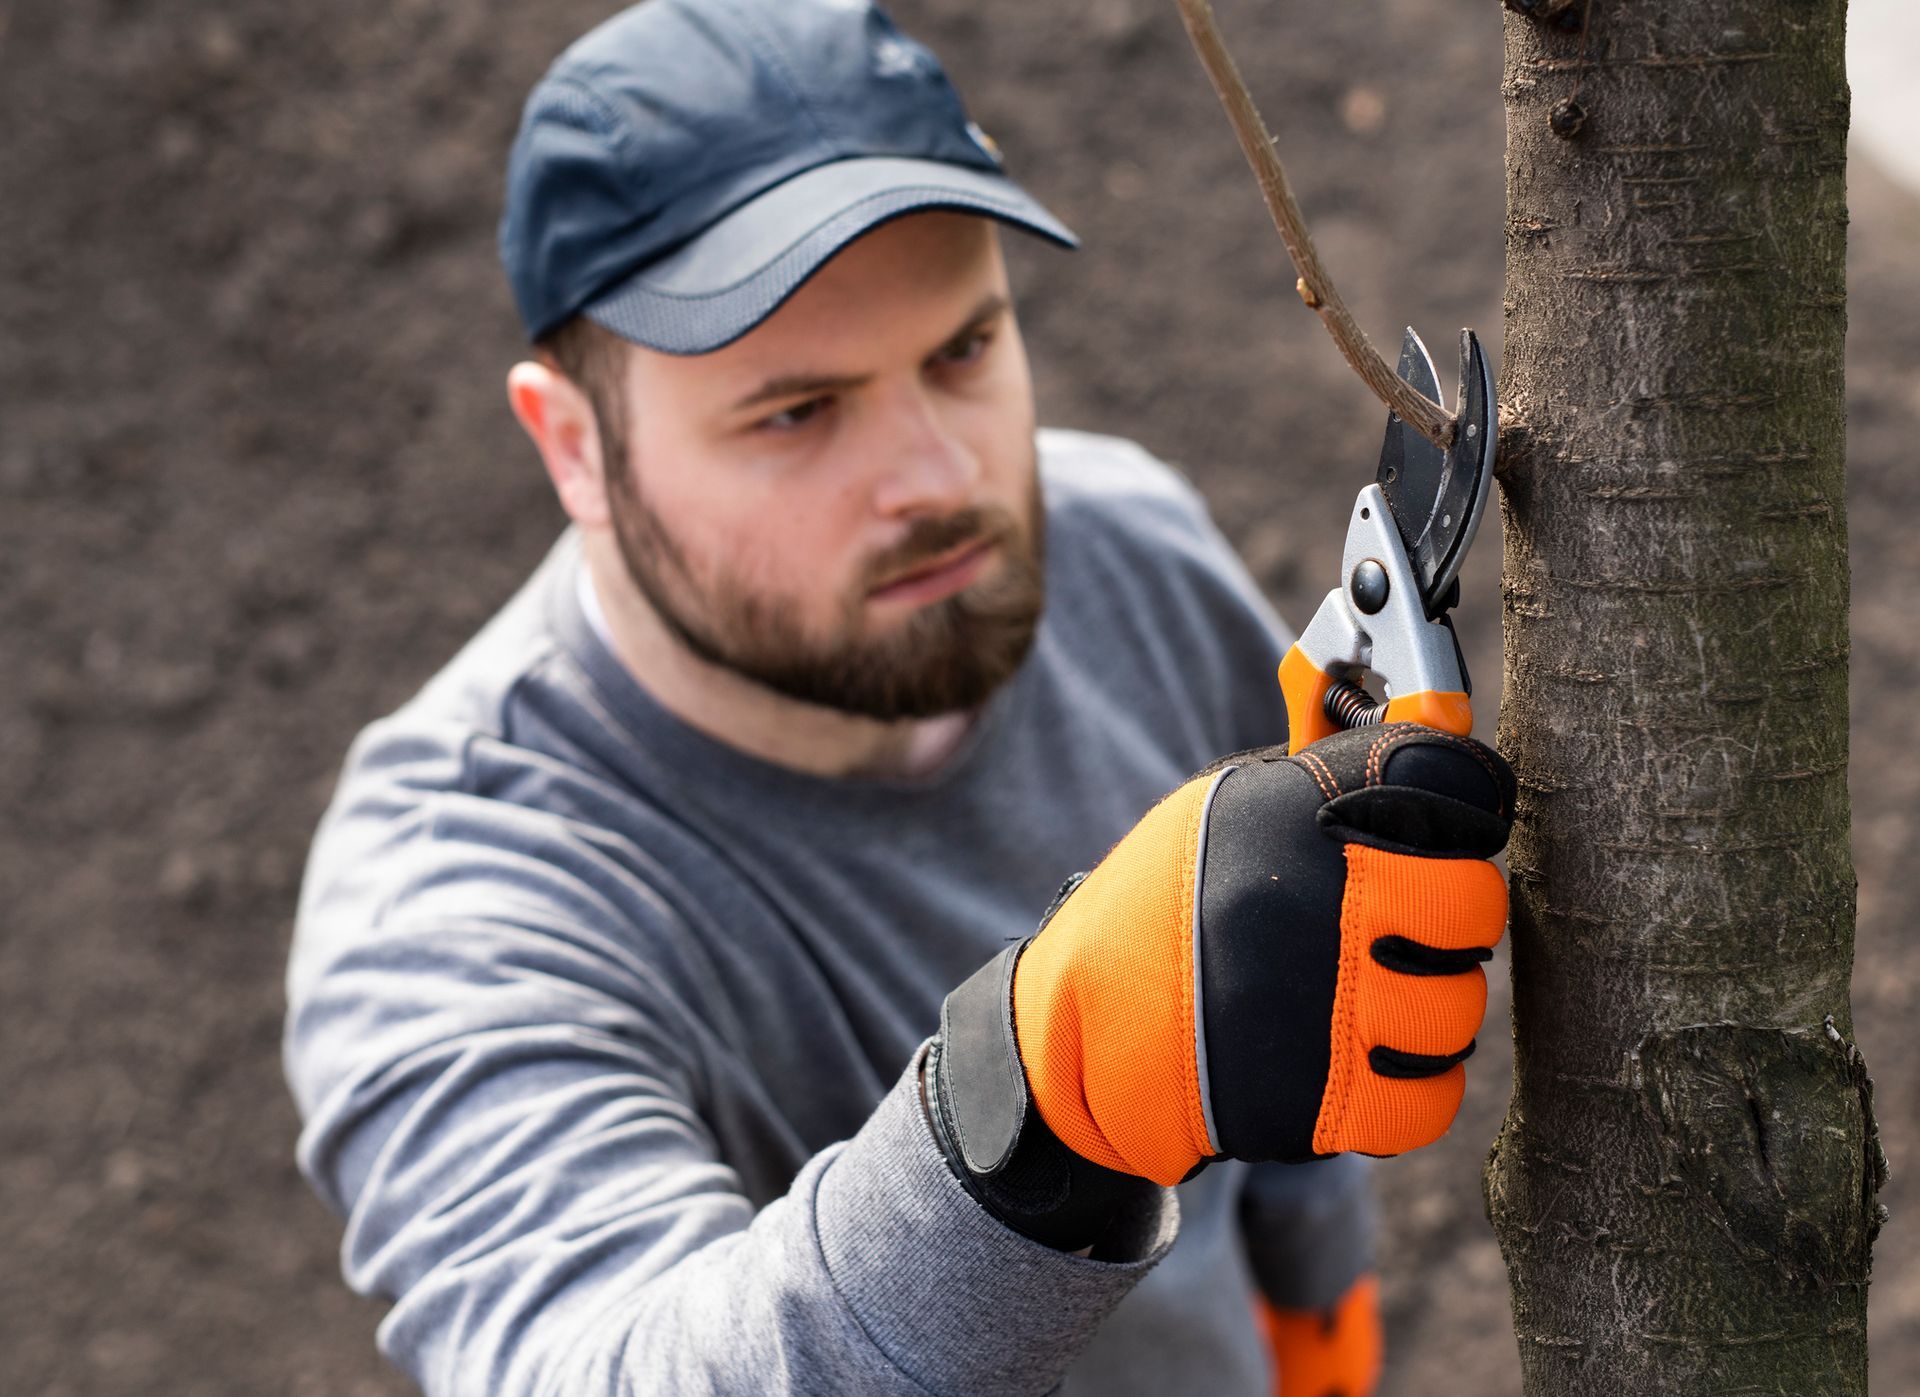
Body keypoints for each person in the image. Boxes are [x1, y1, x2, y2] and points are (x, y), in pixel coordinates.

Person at [283, 2, 1514, 1394]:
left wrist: (1315, 1286)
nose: (938, 478)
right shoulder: (456, 901)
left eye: (963, 350)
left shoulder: (1128, 550)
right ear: (574, 444)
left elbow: (1303, 979)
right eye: (797, 411)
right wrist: (1035, 1107)